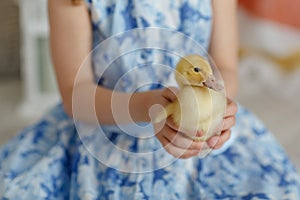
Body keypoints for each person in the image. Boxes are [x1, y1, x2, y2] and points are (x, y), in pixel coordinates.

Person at [0, 0, 299, 199]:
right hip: (107, 129)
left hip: (198, 135)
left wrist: (216, 108)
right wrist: (153, 108)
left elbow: (225, 66)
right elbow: (76, 93)